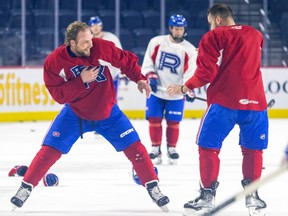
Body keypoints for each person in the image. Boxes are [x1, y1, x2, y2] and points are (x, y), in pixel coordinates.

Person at [10, 21, 169, 212]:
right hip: (75, 114)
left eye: (91, 40)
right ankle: (25, 188)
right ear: (71, 43)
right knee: (48, 151)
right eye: (85, 42)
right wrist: (81, 81)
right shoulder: (54, 62)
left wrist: (140, 79)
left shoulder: (100, 47)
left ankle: (153, 187)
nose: (90, 45)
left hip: (108, 112)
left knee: (137, 149)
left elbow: (125, 60)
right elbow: (58, 95)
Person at [167, 3, 268, 216]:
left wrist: (185, 87)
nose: (211, 25)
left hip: (224, 103)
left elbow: (206, 73)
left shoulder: (213, 37)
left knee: (208, 147)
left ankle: (206, 196)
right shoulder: (256, 34)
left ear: (218, 19)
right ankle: (253, 196)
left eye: (210, 22)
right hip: (256, 103)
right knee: (253, 150)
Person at [141, 14, 197, 165]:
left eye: (181, 29)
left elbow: (189, 73)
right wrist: (150, 75)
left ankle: (172, 148)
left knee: (173, 122)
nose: (179, 31)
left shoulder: (190, 50)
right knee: (154, 119)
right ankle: (155, 147)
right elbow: (148, 62)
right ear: (170, 28)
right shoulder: (157, 42)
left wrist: (188, 88)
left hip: (176, 93)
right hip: (156, 90)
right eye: (176, 28)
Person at [88, 16, 123, 98]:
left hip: (112, 75)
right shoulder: (87, 40)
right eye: (93, 26)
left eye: (97, 25)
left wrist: (123, 71)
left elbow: (120, 56)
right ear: (90, 27)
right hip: (95, 78)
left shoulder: (111, 38)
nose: (95, 28)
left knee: (111, 102)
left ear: (101, 26)